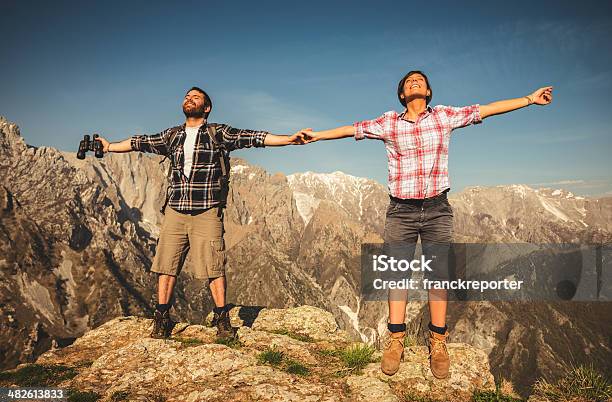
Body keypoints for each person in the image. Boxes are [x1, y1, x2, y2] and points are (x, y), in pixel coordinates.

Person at [301, 71, 552, 378]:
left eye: (420, 79)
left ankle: (438, 341)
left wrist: (529, 99)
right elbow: (352, 129)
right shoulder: (389, 123)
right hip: (400, 211)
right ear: (402, 94)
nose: (414, 81)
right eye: (408, 81)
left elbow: (485, 109)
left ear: (429, 91)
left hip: (437, 209)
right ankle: (395, 340)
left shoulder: (444, 117)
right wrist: (317, 135)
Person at [96, 86, 308, 340]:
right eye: (187, 97)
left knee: (214, 265)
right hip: (175, 209)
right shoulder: (172, 135)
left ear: (206, 108)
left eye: (195, 97)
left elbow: (254, 137)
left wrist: (288, 139)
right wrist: (108, 147)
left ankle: (222, 319)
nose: (189, 99)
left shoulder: (218, 133)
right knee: (167, 264)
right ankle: (162, 317)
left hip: (207, 210)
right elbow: (138, 142)